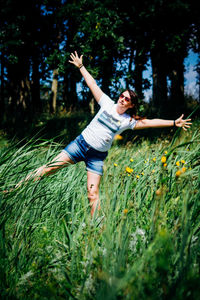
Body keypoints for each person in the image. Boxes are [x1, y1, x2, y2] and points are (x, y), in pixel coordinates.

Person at [16, 51, 192, 217]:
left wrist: (174, 123)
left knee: (92, 194)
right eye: (122, 96)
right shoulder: (106, 102)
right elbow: (92, 84)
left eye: (127, 99)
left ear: (131, 105)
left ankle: (96, 230)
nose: (122, 99)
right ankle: (15, 189)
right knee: (49, 168)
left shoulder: (128, 121)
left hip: (97, 157)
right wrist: (81, 66)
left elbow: (150, 122)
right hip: (79, 145)